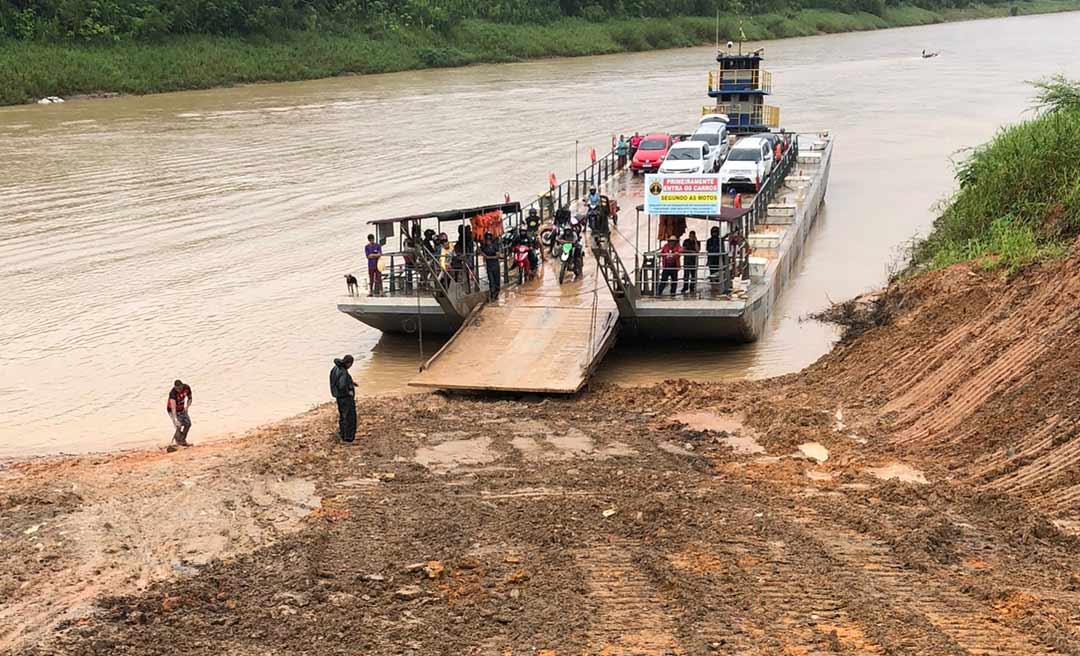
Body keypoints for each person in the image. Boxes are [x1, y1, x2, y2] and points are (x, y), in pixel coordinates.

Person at [329, 355, 358, 443]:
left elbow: (337, 380)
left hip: (338, 397)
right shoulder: (344, 372)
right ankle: (348, 438)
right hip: (345, 398)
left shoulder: (335, 368)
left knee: (343, 416)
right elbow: (342, 385)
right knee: (350, 418)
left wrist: (351, 383)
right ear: (349, 363)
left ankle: (342, 434)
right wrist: (349, 392)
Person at [166, 379, 193, 449]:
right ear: (175, 387)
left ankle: (182, 440)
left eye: (180, 388)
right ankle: (178, 442)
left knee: (188, 424)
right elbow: (173, 407)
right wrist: (175, 419)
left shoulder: (186, 387)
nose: (179, 390)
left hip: (182, 408)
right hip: (172, 410)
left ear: (182, 385)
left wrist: (187, 407)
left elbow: (190, 398)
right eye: (177, 389)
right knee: (179, 425)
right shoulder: (173, 393)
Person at [480, 232, 502, 300]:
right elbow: (478, 251)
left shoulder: (495, 246)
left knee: (497, 281)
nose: (488, 241)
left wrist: (488, 257)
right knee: (491, 281)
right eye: (486, 240)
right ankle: (492, 294)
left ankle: (496, 292)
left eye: (489, 240)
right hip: (489, 266)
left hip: (495, 265)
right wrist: (482, 253)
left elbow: (498, 256)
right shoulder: (484, 247)